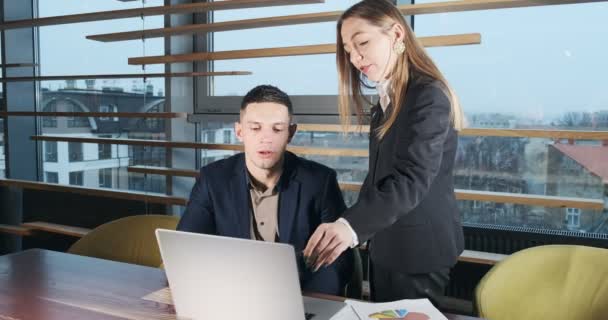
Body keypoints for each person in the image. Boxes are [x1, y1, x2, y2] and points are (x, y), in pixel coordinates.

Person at [304, 0, 465, 304]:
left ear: (396, 34)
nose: (354, 57)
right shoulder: (386, 100)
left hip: (419, 249)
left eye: (362, 42)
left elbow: (411, 179)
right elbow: (380, 177)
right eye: (348, 50)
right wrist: (351, 223)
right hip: (385, 241)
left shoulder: (427, 95)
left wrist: (350, 227)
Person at [177, 85, 353, 295]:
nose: (266, 138)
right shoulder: (213, 179)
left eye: (277, 129)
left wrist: (306, 304)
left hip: (297, 296)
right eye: (255, 128)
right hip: (231, 294)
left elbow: (338, 262)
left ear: (291, 133)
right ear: (239, 131)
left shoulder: (320, 181)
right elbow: (186, 249)